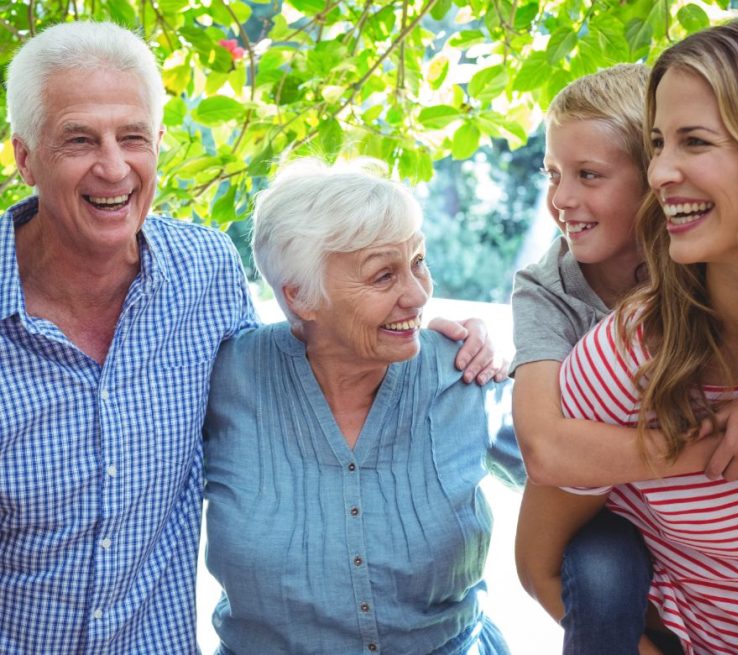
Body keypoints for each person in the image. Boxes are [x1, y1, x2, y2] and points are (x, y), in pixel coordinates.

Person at [0, 21, 500, 654]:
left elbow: (302, 356)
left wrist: (441, 340)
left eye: (132, 137)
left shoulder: (203, 271)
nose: (113, 165)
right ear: (24, 159)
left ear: (158, 143)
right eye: (78, 139)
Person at [519, 18, 738, 654]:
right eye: (661, 144)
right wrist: (709, 444)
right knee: (602, 562)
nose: (664, 173)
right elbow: (545, 454)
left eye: (695, 141)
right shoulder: (605, 340)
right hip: (643, 555)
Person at [203, 158, 519, 655]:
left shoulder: (462, 371)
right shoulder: (224, 379)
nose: (418, 296)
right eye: (383, 276)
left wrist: (528, 361)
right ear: (301, 296)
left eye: (419, 262)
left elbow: (583, 471)